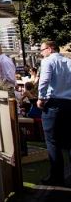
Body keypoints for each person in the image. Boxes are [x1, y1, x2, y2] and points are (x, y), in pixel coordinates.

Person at [37, 39, 71, 186]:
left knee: (52, 141)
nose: (41, 53)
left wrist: (41, 98)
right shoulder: (69, 61)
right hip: (69, 103)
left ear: (50, 49)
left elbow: (44, 80)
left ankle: (56, 177)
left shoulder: (48, 61)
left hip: (54, 104)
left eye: (42, 50)